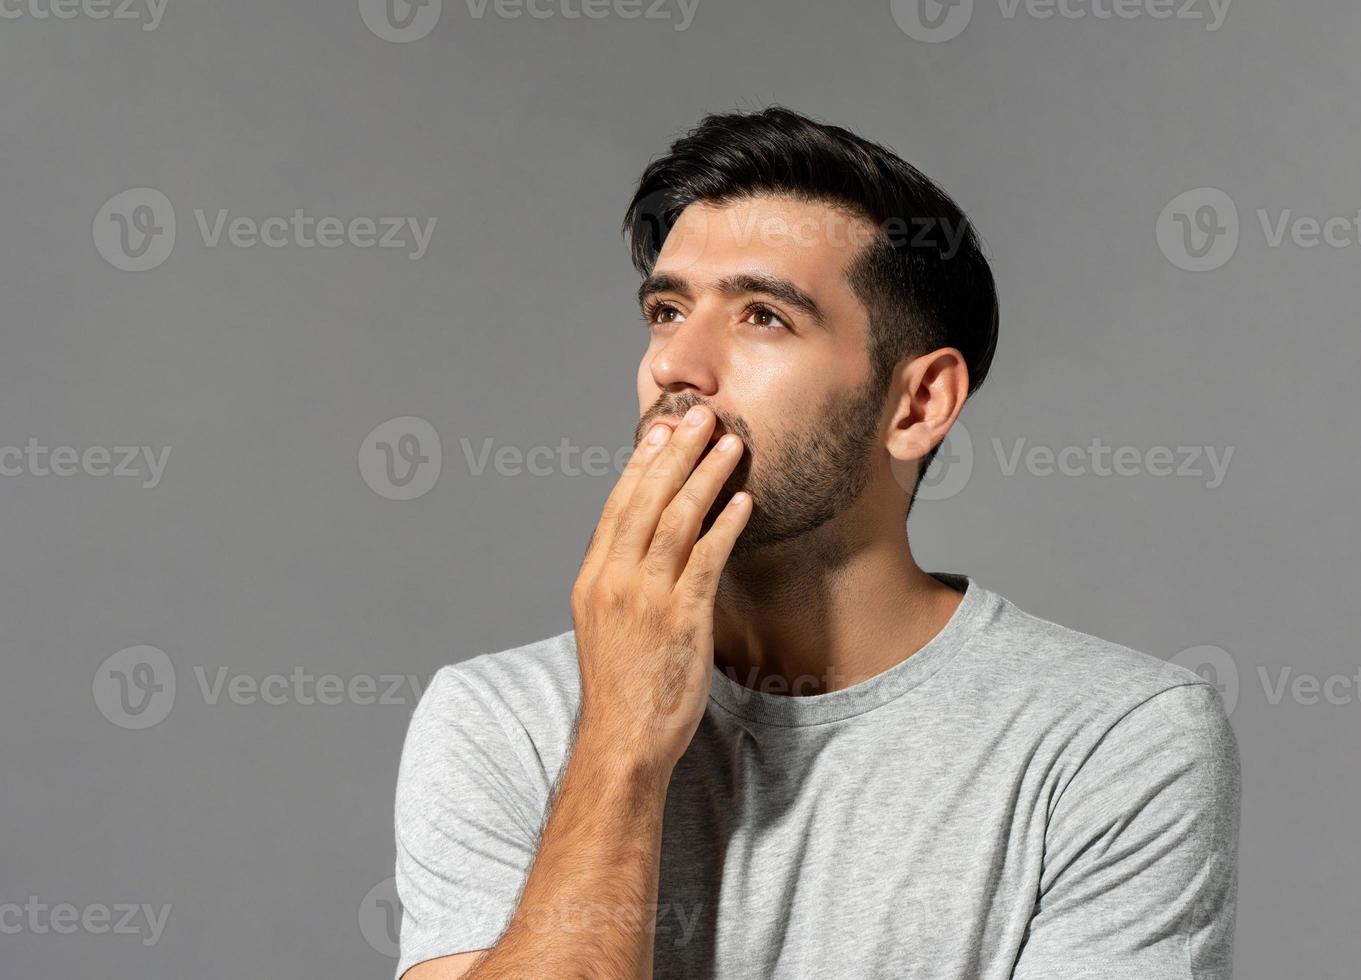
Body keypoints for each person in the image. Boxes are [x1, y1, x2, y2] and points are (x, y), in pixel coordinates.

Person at [393, 105, 1240, 980]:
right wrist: (621, 742)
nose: (677, 365)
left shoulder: (1111, 740)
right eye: (667, 309)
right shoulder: (500, 718)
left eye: (762, 315)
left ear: (917, 406)